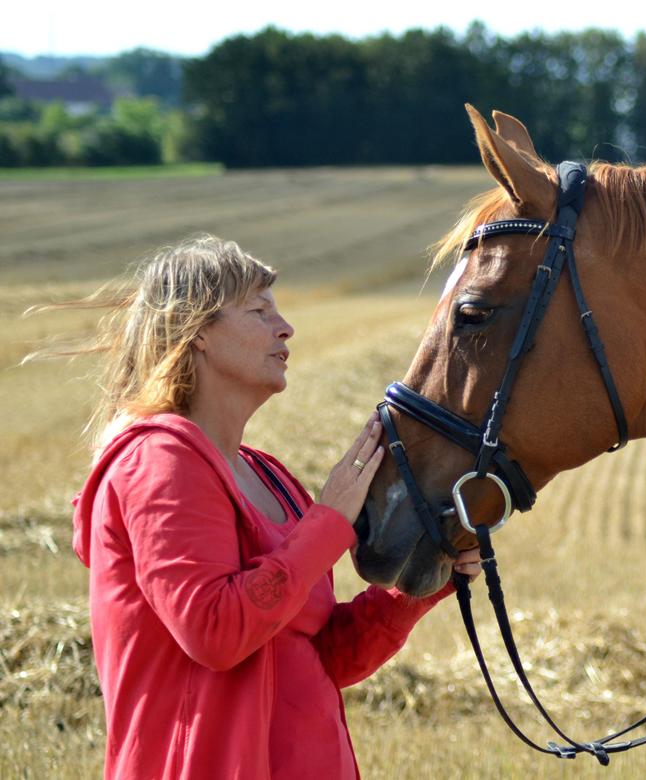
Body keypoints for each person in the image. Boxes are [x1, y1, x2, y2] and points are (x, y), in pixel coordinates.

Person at [59, 234, 479, 779]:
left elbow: (326, 655)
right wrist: (329, 521)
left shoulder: (270, 476)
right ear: (197, 332)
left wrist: (423, 581)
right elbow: (215, 632)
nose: (285, 328)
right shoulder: (158, 461)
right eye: (259, 311)